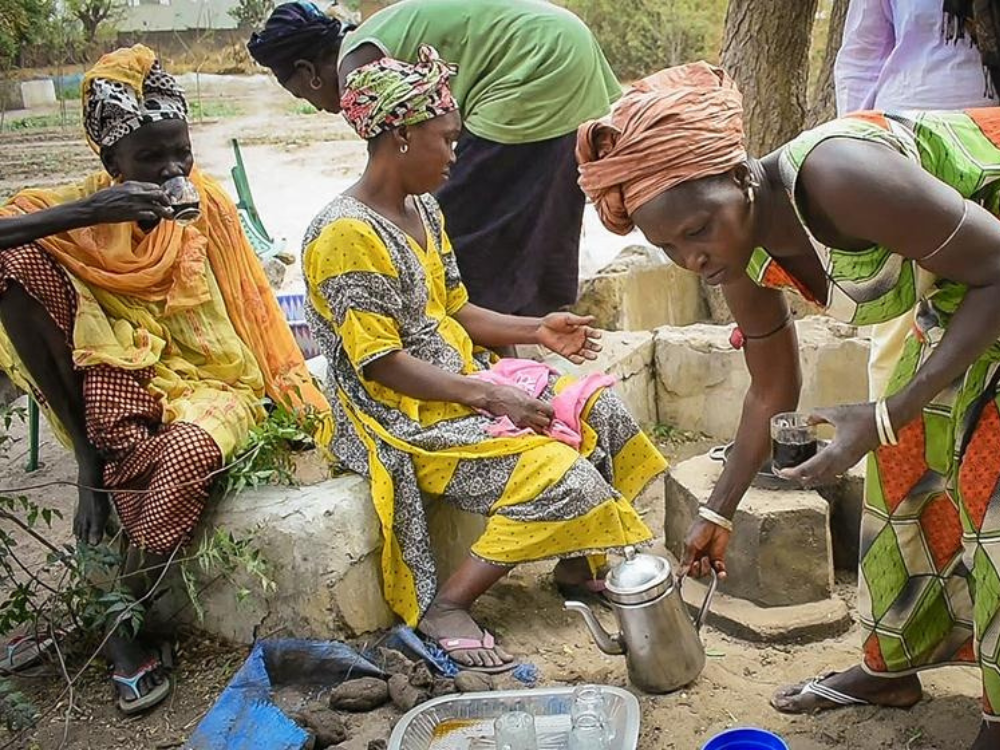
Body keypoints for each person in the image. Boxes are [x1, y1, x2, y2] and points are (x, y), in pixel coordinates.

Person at [576, 61, 1000, 750]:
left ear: (741, 175)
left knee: (994, 504)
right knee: (906, 481)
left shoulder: (839, 176)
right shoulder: (736, 250)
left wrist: (887, 413)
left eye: (698, 229)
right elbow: (774, 386)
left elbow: (996, 266)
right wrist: (719, 511)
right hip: (968, 298)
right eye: (670, 247)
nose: (691, 258)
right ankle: (892, 668)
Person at [302, 45, 666, 672]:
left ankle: (578, 567)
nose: (454, 155)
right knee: (561, 473)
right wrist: (493, 396)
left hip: (459, 380)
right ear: (401, 137)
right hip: (397, 413)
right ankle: (447, 605)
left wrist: (540, 330)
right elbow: (380, 364)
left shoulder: (424, 209)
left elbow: (456, 311)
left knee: (601, 409)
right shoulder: (345, 235)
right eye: (445, 140)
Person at [0, 45, 328, 712]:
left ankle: (122, 625)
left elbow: (253, 323)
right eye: (151, 159)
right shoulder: (84, 212)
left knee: (183, 453)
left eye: (181, 151)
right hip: (118, 374)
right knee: (13, 262)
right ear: (111, 165)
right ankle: (94, 465)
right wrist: (91, 216)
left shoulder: (205, 206)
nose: (173, 170)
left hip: (213, 384)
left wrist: (292, 401)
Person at [248, 0, 621, 317]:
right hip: (567, 41)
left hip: (533, 62)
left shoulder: (356, 73)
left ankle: (495, 356)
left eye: (298, 94)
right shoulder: (372, 35)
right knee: (541, 202)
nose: (314, 106)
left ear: (308, 73)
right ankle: (537, 329)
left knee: (455, 239)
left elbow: (393, 170)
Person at [835, 0, 997, 401]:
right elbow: (861, 55)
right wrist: (853, 151)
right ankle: (888, 448)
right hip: (909, 160)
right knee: (898, 328)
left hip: (994, 155)